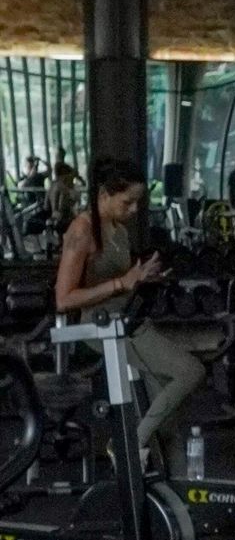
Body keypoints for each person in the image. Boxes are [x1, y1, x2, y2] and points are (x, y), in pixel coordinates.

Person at [55, 157, 204, 476]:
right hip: (100, 327)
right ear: (104, 194)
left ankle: (178, 490)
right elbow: (64, 299)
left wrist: (142, 278)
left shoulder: (120, 232)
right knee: (191, 371)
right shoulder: (81, 230)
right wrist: (121, 282)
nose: (134, 210)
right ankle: (127, 444)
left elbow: (122, 284)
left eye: (138, 202)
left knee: (166, 418)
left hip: (129, 322)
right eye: (128, 202)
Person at [46, 150, 77, 227]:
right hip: (63, 220)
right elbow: (65, 208)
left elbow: (46, 206)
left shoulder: (51, 187)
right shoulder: (64, 189)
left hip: (55, 217)